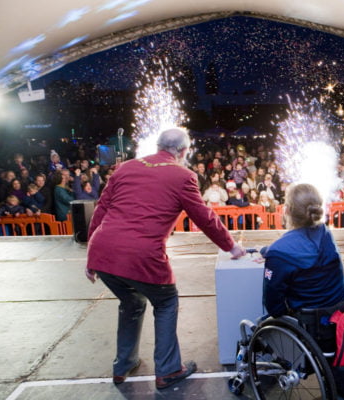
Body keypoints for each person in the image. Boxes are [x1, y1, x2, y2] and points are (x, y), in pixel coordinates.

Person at [85, 128, 246, 389]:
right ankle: (168, 370)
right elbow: (204, 217)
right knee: (166, 301)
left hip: (104, 253)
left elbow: (101, 208)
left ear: (158, 145)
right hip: (142, 256)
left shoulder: (125, 168)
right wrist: (231, 247)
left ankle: (123, 364)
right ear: (183, 151)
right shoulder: (183, 176)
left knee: (132, 301)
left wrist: (92, 254)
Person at [260, 183, 344, 353]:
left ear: (286, 210)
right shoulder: (325, 233)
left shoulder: (279, 251)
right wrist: (269, 251)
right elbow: (306, 251)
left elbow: (273, 305)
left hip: (310, 320)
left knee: (261, 321)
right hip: (341, 308)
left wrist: (271, 254)